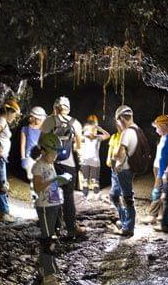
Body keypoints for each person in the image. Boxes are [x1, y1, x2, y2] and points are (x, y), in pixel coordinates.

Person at [32, 132, 72, 285]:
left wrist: (60, 182)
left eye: (57, 153)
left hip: (54, 205)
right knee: (49, 241)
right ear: (43, 151)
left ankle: (43, 267)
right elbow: (38, 187)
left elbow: (51, 186)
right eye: (53, 153)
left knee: (50, 237)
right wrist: (54, 181)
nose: (55, 156)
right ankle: (49, 278)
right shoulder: (39, 166)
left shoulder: (49, 164)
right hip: (45, 207)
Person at [41, 96, 85, 237]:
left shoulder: (49, 121)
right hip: (68, 163)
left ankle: (55, 229)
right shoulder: (75, 123)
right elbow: (78, 146)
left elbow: (41, 142)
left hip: (51, 164)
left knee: (53, 195)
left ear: (55, 107)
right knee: (68, 196)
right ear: (68, 108)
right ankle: (71, 228)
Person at [109, 105, 139, 236]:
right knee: (115, 195)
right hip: (127, 169)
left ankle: (128, 227)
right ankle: (125, 220)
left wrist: (115, 155)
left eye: (118, 120)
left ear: (121, 118)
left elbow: (119, 154)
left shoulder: (127, 132)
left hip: (124, 169)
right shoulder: (137, 129)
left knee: (127, 198)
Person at [20, 106, 47, 200]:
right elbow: (23, 145)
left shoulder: (44, 130)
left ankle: (41, 197)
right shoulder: (25, 129)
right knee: (32, 178)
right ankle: (34, 197)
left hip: (41, 158)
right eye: (40, 119)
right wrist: (23, 158)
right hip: (29, 158)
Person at [81, 114, 110, 201]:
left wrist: (98, 127)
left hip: (94, 161)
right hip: (86, 161)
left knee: (94, 181)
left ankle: (95, 195)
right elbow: (76, 137)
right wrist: (84, 130)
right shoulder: (85, 137)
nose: (91, 131)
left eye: (93, 130)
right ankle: (85, 196)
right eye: (90, 129)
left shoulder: (98, 138)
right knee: (86, 180)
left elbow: (108, 135)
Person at [140, 131, 166, 225]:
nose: (156, 130)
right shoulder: (162, 138)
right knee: (161, 190)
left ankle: (152, 215)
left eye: (158, 127)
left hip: (163, 167)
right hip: (156, 166)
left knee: (157, 190)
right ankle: (161, 213)